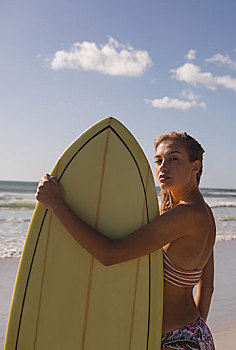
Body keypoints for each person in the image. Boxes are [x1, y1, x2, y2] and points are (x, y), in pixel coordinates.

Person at [36, 131, 216, 350]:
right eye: (158, 160)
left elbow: (110, 254)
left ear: (195, 167)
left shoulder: (186, 215)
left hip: (174, 340)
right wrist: (194, 335)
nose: (163, 167)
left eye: (174, 159)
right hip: (194, 334)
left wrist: (57, 205)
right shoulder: (204, 213)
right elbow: (206, 288)